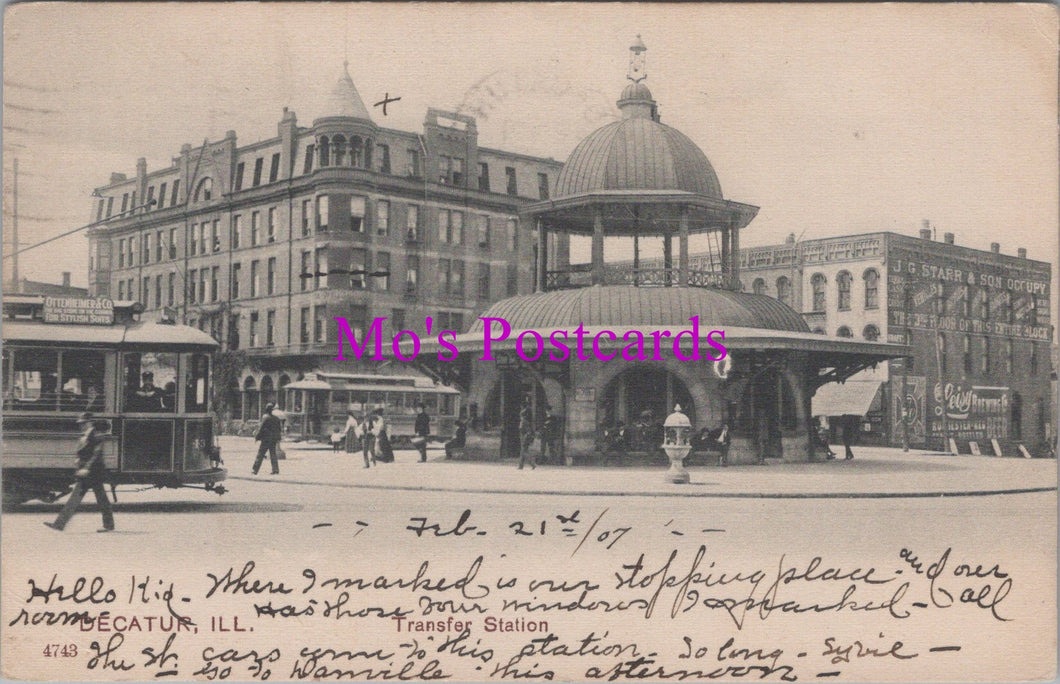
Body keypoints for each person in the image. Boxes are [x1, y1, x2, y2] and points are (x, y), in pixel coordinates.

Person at [44, 413, 114, 533]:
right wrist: (78, 460)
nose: (81, 426)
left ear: (90, 422)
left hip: (93, 472)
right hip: (88, 473)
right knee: (96, 499)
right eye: (80, 424)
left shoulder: (96, 435)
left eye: (83, 423)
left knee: (91, 499)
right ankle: (108, 525)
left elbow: (96, 455)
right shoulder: (86, 435)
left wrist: (86, 468)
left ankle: (59, 524)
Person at [252, 403, 283, 475]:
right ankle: (275, 469)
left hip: (266, 439)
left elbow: (261, 428)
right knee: (273, 454)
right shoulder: (276, 418)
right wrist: (278, 438)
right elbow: (279, 429)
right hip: (273, 439)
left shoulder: (265, 417)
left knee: (260, 454)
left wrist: (257, 437)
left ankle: (255, 470)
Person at [517, 397, 536, 470]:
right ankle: (520, 466)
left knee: (524, 452)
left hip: (524, 438)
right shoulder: (527, 421)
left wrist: (524, 437)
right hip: (526, 437)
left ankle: (532, 464)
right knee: (523, 451)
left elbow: (525, 430)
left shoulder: (523, 422)